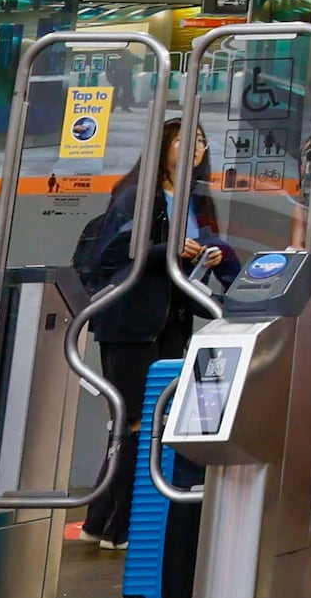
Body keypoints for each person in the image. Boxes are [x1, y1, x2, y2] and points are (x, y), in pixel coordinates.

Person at [72, 113, 221, 542]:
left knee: (157, 423)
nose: (193, 149)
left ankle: (104, 523)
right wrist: (167, 248)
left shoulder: (197, 200)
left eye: (200, 142)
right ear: (162, 147)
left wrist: (204, 257)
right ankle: (119, 528)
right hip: (131, 323)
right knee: (137, 423)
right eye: (182, 141)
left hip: (172, 320)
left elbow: (182, 262)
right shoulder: (139, 194)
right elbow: (115, 251)